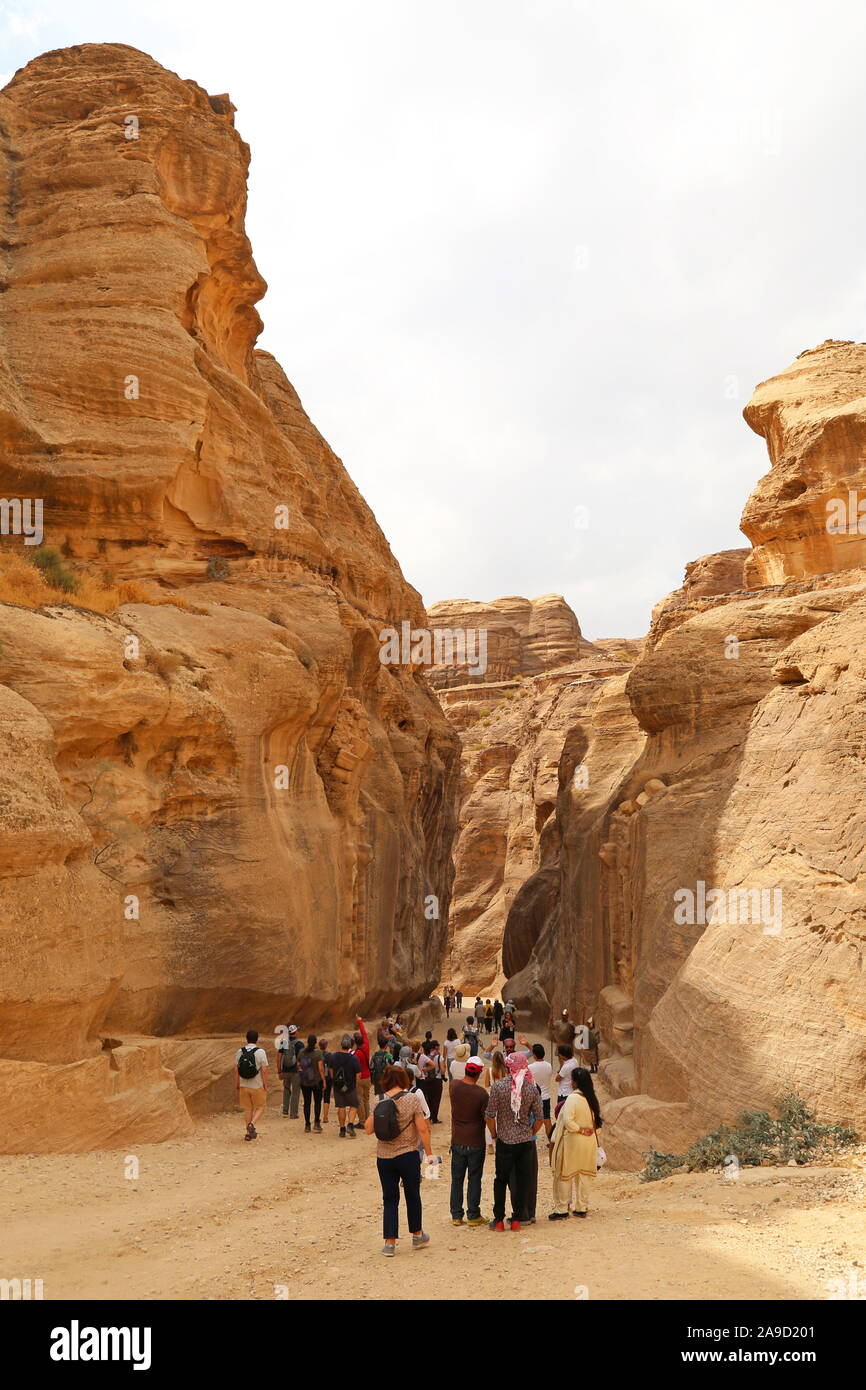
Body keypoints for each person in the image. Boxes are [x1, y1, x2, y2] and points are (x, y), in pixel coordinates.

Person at [365, 1064, 433, 1255]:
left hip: (384, 1156)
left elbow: (368, 1129)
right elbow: (422, 1129)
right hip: (408, 1153)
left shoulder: (378, 1099)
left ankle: (390, 1243)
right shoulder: (412, 1099)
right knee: (412, 1194)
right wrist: (429, 1154)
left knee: (389, 1198)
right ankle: (417, 1235)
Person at [485, 1050, 543, 1231]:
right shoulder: (531, 1089)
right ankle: (517, 1219)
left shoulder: (498, 1087)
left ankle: (499, 1219)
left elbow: (489, 1115)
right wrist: (529, 1131)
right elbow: (540, 1118)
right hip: (525, 1142)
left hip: (505, 1141)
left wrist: (494, 1134)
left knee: (501, 1180)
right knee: (524, 1179)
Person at [548, 1068, 601, 1219]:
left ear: (576, 1082)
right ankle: (581, 1208)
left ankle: (562, 1210)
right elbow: (598, 1125)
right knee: (585, 1175)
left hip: (573, 1142)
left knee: (565, 1175)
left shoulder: (572, 1098)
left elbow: (568, 1121)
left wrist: (579, 1130)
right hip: (589, 1143)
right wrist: (588, 1131)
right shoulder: (592, 1099)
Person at [449, 1053, 488, 1226]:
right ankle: (473, 1215)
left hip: (457, 1139)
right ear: (479, 1074)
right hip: (475, 1141)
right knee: (474, 1178)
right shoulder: (481, 1094)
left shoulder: (454, 1086)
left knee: (457, 1179)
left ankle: (456, 1215)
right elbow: (487, 1118)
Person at [235, 1029, 268, 1141]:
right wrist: (265, 1084)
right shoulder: (260, 1052)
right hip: (257, 1085)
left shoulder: (240, 1051)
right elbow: (264, 1070)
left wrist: (237, 1083)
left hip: (244, 1085)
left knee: (248, 1109)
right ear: (257, 1039)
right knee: (261, 1107)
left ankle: (248, 1134)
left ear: (246, 1038)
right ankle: (252, 1125)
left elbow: (236, 1069)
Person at [330, 1035, 362, 1137]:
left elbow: (330, 1070)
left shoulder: (334, 1056)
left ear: (341, 1045)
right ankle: (350, 1125)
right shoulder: (354, 1059)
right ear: (350, 1046)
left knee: (341, 1107)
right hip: (350, 1086)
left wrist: (334, 1080)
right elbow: (358, 1074)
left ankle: (342, 1129)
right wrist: (355, 1085)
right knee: (354, 1105)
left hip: (338, 1086)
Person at [298, 1033, 326, 1132]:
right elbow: (321, 1068)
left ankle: (307, 1125)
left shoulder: (301, 1052)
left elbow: (298, 1065)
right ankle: (317, 1124)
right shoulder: (318, 1053)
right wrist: (324, 1081)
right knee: (317, 1102)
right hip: (316, 1082)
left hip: (304, 1082)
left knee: (307, 1103)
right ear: (315, 1043)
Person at [528, 1042, 554, 1137]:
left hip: (534, 1098)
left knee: (531, 1120)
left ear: (534, 1055)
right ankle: (551, 1142)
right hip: (546, 1097)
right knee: (547, 1120)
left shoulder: (530, 1067)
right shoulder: (549, 1065)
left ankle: (530, 1138)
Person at [278, 1023, 302, 1119]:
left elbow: (279, 1057)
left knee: (286, 1090)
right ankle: (293, 1114)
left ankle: (285, 1111)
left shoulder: (283, 1042)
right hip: (295, 1071)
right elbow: (301, 1059)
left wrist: (279, 1071)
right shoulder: (300, 1044)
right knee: (296, 1092)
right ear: (295, 1032)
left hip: (285, 1070)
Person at [418, 1040, 445, 1123]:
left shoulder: (426, 1056)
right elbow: (443, 1070)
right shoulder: (439, 1057)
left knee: (429, 1098)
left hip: (427, 1080)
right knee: (436, 1099)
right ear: (436, 1047)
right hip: (437, 1080)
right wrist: (443, 1074)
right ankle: (435, 1118)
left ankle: (429, 1116)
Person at [353, 1017, 372, 1125]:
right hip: (368, 1076)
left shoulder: (356, 1054)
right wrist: (360, 1020)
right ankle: (368, 1118)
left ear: (355, 1043)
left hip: (359, 1078)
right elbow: (364, 1033)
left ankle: (362, 1121)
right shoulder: (367, 1046)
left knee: (359, 1099)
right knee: (366, 1099)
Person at [554, 1043, 579, 1112]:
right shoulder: (574, 1060)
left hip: (564, 1093)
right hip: (571, 1091)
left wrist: (561, 1064)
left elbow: (557, 1079)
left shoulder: (566, 1066)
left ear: (562, 1055)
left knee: (561, 1113)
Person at [318, 1038, 332, 1125]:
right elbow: (331, 1068)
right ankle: (325, 1117)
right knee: (326, 1097)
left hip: (318, 1077)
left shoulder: (317, 1054)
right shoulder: (330, 1055)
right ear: (326, 1046)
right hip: (327, 1077)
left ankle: (318, 1116)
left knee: (318, 1097)